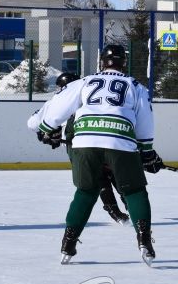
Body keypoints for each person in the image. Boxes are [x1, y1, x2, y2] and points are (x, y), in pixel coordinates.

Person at [35, 44, 163, 264]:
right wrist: (146, 151)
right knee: (134, 192)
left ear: (102, 62)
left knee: (85, 192)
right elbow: (145, 122)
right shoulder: (135, 85)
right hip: (120, 139)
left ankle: (68, 244)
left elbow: (59, 108)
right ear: (124, 62)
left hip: (85, 141)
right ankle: (144, 241)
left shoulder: (85, 81)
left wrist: (47, 129)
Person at [28, 72, 130, 225]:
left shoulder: (59, 101)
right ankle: (121, 207)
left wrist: (44, 133)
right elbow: (35, 124)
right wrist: (46, 133)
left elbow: (33, 123)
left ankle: (116, 209)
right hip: (91, 143)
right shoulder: (85, 97)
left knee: (101, 177)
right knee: (108, 175)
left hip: (83, 146)